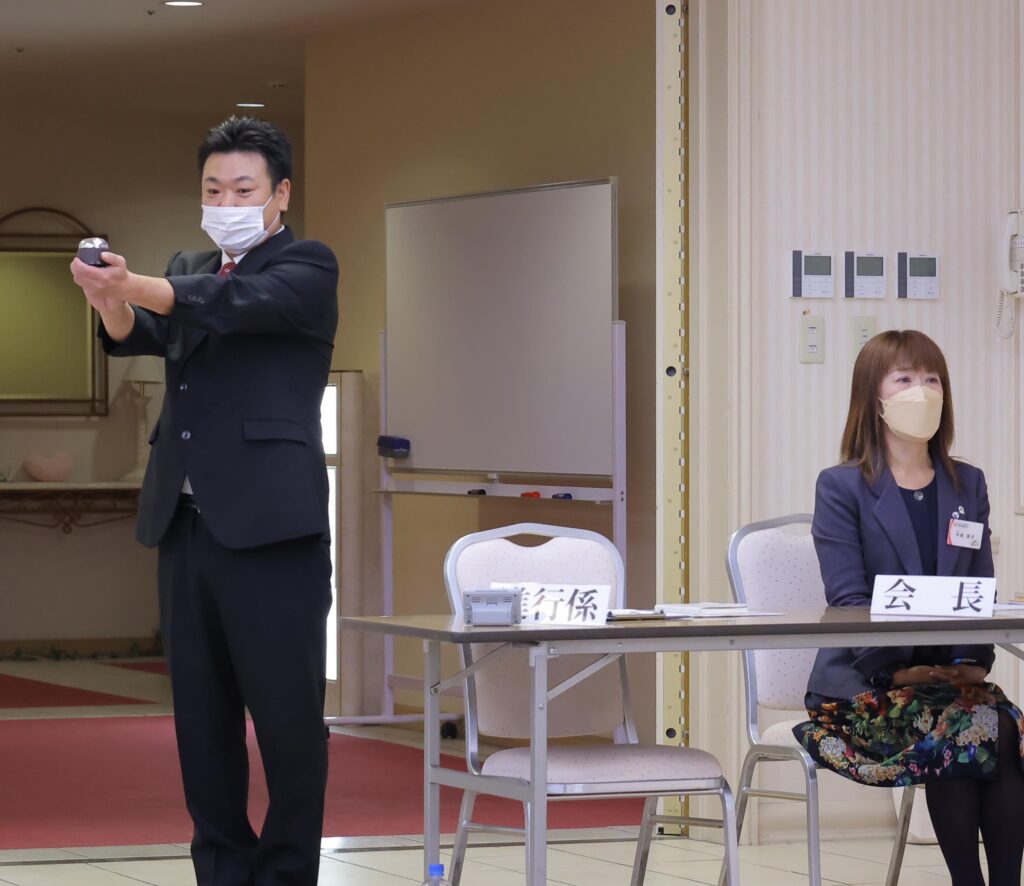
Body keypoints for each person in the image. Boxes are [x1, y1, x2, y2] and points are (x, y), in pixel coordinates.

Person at [70, 117, 339, 886]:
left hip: (273, 532)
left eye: (243, 189)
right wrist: (108, 298)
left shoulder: (307, 267)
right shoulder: (189, 266)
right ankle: (220, 870)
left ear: (280, 194)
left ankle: (286, 874)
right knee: (201, 720)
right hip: (186, 525)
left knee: (287, 722)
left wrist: (133, 285)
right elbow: (144, 331)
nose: (225, 203)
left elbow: (227, 304)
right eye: (213, 190)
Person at [794, 329, 1024, 886]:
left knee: (1001, 727)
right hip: (864, 686)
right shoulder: (842, 486)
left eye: (932, 379)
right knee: (968, 725)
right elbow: (848, 603)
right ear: (872, 396)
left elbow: (977, 590)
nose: (921, 390)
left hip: (950, 684)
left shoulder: (967, 483)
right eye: (904, 379)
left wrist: (971, 663)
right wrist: (897, 672)